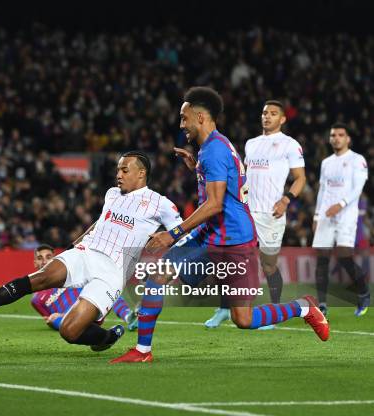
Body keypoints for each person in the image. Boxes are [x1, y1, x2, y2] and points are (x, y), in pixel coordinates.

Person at [112, 87, 329, 364]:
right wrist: (197, 169)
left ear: (200, 117)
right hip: (208, 236)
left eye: (184, 118)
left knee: (244, 319)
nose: (181, 125)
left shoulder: (214, 151)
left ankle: (304, 307)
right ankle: (142, 351)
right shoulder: (213, 148)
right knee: (157, 274)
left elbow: (214, 204)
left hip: (235, 241)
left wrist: (173, 234)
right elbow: (227, 186)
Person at [0, 151, 183, 351]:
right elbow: (99, 222)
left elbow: (182, 231)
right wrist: (74, 245)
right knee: (40, 278)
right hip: (86, 252)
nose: (118, 174)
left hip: (112, 273)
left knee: (69, 331)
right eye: (117, 169)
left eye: (124, 170)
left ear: (141, 173)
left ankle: (107, 337)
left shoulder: (160, 204)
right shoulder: (112, 194)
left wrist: (166, 246)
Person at [204, 100, 306, 329]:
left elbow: (301, 178)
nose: (267, 117)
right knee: (228, 262)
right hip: (246, 213)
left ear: (282, 119)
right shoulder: (251, 144)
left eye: (273, 113)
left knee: (268, 265)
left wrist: (286, 199)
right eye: (264, 113)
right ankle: (223, 309)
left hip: (271, 214)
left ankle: (275, 309)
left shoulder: (290, 144)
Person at [313, 123, 369, 317]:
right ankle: (322, 305)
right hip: (326, 216)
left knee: (345, 257)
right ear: (330, 139)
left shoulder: (357, 160)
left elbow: (358, 188)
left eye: (340, 135)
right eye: (333, 135)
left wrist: (341, 204)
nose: (336, 138)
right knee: (322, 260)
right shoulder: (326, 162)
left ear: (348, 139)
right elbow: (322, 190)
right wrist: (316, 215)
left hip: (346, 216)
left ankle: (363, 292)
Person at [29, 244, 138, 331]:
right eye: (40, 258)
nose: (44, 261)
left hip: (90, 307)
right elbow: (49, 320)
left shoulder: (69, 273)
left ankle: (128, 316)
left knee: (105, 289)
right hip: (70, 319)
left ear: (55, 259)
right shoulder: (36, 300)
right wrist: (54, 320)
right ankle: (95, 331)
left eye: (48, 257)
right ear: (34, 263)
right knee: (54, 319)